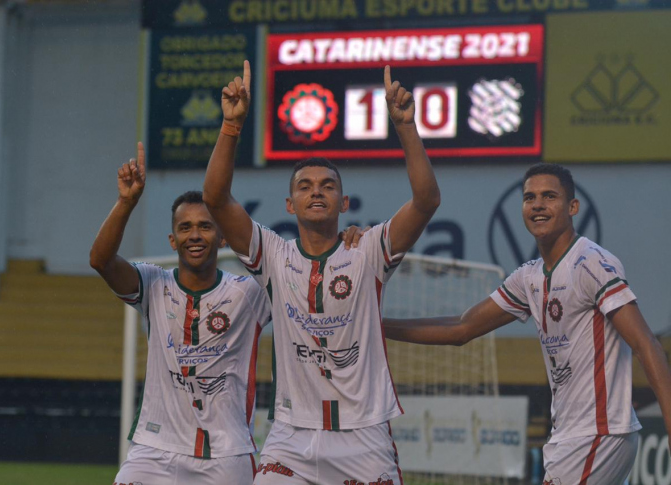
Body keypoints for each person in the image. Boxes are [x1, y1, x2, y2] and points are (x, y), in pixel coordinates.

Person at [203, 61, 440, 485]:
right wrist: (231, 126)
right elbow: (216, 199)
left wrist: (406, 127)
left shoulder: (368, 250)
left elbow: (425, 201)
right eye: (305, 185)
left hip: (364, 435)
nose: (316, 190)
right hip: (293, 436)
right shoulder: (273, 255)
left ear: (344, 203)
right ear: (290, 204)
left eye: (328, 185)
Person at [90, 144, 367, 485]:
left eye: (205, 227)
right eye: (185, 227)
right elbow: (101, 261)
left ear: (223, 237)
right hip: (154, 451)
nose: (195, 235)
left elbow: (311, 282)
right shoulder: (152, 284)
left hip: (227, 456)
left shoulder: (250, 293)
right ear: (173, 240)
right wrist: (126, 202)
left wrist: (345, 240)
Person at [383, 163, 671, 485]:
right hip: (570, 436)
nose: (537, 205)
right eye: (529, 197)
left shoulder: (590, 263)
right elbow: (461, 329)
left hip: (597, 433)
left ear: (572, 207)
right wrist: (377, 326)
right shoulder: (529, 277)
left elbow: (646, 343)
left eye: (549, 196)